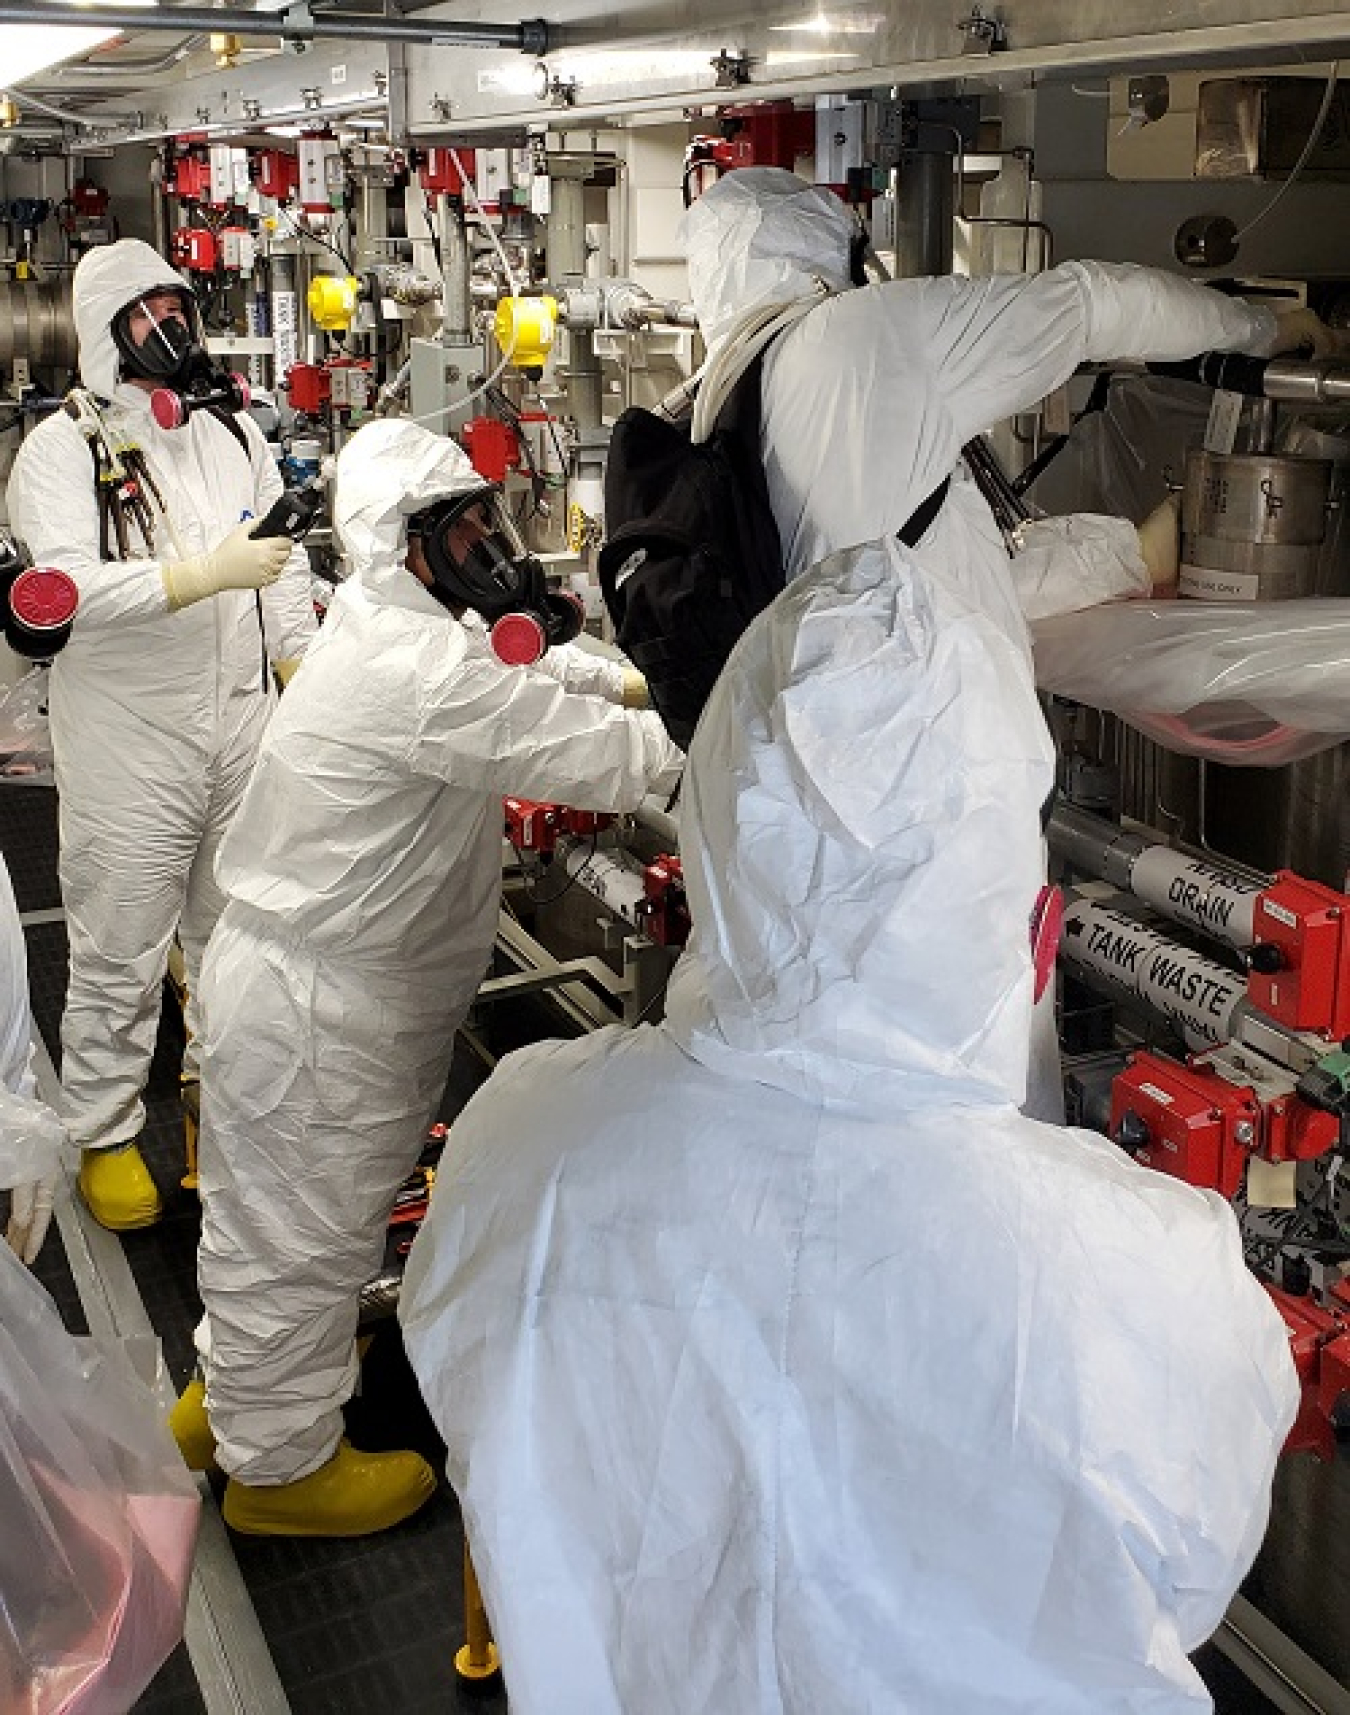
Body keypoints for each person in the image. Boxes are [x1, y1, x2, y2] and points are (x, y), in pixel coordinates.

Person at [400, 518, 1300, 1713]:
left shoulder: (525, 1150)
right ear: (1036, 930)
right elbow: (1188, 1572)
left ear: (714, 839)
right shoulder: (1159, 1281)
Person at [683, 167, 1331, 1121]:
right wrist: (1267, 330)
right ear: (838, 260)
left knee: (815, 1094)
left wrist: (1125, 551)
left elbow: (918, 581)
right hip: (931, 823)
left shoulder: (720, 406)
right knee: (976, 1105)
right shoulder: (859, 338)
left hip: (787, 839)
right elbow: (1090, 304)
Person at [170, 417, 681, 1538]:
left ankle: (236, 1395)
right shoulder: (414, 667)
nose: (489, 543)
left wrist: (628, 676)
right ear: (407, 544)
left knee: (281, 1225)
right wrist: (714, 741)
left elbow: (533, 664)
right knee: (308, 1228)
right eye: (464, 528)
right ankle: (280, 1471)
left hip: (319, 990)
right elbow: (594, 752)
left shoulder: (398, 621)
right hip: (322, 1009)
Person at [6, 239, 316, 1233]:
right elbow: (58, 596)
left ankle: (220, 1102)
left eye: (175, 304)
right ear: (105, 332)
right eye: (143, 313)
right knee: (120, 948)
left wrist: (301, 674)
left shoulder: (227, 430)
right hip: (131, 746)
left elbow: (282, 560)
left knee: (237, 935)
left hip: (239, 728)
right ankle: (100, 1129)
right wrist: (194, 577)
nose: (169, 328)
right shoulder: (61, 451)